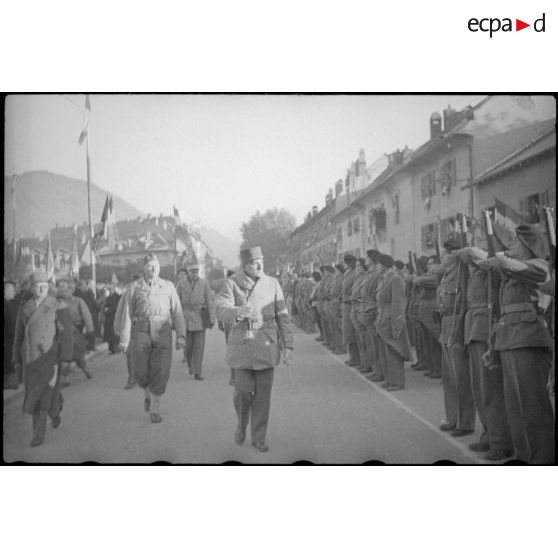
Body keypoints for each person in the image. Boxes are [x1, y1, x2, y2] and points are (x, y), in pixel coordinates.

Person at [482, 225, 555, 464]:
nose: (510, 245)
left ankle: (543, 459)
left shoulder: (539, 265)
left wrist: (499, 259)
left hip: (529, 341)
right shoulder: (510, 274)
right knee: (516, 409)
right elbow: (500, 313)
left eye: (515, 242)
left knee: (534, 408)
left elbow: (517, 267)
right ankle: (524, 458)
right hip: (510, 342)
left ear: (528, 246)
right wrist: (493, 347)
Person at [216, 246, 293, 452]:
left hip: (266, 343)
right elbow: (221, 310)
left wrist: (288, 345)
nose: (259, 265)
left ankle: (259, 437)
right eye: (253, 262)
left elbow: (282, 316)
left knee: (263, 397)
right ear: (244, 265)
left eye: (261, 261)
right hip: (241, 345)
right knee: (242, 392)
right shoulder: (232, 284)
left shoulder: (272, 284)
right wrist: (237, 311)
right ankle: (242, 423)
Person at [459, 246, 513, 460]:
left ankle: (501, 440)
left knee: (491, 389)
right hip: (473, 330)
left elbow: (482, 257)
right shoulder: (474, 274)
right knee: (480, 390)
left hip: (485, 331)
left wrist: (469, 249)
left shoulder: (492, 269)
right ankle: (489, 435)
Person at [118, 254, 186, 423]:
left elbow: (177, 313)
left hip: (162, 330)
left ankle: (156, 406)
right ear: (144, 269)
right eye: (149, 266)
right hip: (140, 331)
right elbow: (127, 314)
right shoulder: (134, 288)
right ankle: (147, 392)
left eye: (155, 265)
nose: (153, 269)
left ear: (159, 267)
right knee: (140, 370)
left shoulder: (169, 287)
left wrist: (181, 335)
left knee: (162, 370)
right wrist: (124, 339)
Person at [12, 270, 73, 446]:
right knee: (40, 394)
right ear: (31, 288)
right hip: (30, 360)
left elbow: (66, 334)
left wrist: (66, 358)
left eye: (44, 287)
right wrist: (16, 359)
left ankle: (38, 435)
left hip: (50, 359)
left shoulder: (57, 305)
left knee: (42, 396)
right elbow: (19, 337)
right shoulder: (24, 308)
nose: (41, 290)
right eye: (38, 287)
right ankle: (55, 410)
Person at [438, 238, 475, 437]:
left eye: (445, 253)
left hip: (456, 325)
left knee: (461, 376)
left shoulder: (462, 273)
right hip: (446, 324)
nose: (442, 256)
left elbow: (464, 303)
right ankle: (452, 417)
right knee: (450, 377)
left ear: (454, 255)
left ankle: (465, 421)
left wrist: (460, 330)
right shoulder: (447, 275)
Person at [375, 254, 412, 390]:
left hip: (391, 319)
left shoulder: (395, 279)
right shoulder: (385, 279)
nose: (377, 267)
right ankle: (390, 379)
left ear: (385, 265)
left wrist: (397, 325)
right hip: (383, 318)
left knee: (394, 352)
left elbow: (398, 303)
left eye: (379, 264)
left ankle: (397, 382)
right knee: (386, 352)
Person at [176, 262, 216, 380]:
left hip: (200, 318)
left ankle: (198, 372)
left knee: (199, 346)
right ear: (188, 272)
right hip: (185, 318)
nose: (195, 274)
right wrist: (175, 319)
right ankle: (190, 365)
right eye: (192, 272)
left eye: (197, 272)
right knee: (188, 347)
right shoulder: (180, 284)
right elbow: (176, 302)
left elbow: (210, 300)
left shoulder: (204, 283)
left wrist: (212, 317)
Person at [56, 277, 94, 385]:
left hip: (75, 331)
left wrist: (90, 331)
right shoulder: (55, 303)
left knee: (77, 353)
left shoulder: (78, 301)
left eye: (65, 290)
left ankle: (84, 368)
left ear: (70, 290)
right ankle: (65, 378)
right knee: (63, 355)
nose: (63, 292)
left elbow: (87, 316)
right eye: (61, 290)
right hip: (61, 332)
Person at [113, 274, 141, 389]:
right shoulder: (127, 294)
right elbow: (121, 312)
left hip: (144, 326)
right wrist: (118, 328)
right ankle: (133, 377)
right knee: (130, 353)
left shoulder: (147, 293)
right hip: (132, 327)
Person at [341, 254, 360, 367]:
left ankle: (356, 358)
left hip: (351, 305)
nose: (344, 265)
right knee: (348, 333)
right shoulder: (347, 274)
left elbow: (354, 290)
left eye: (345, 262)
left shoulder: (354, 275)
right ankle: (353, 357)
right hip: (346, 305)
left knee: (352, 333)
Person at [4, 281, 19, 389]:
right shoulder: (8, 305)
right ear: (6, 291)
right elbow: (12, 326)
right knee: (10, 361)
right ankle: (11, 384)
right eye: (13, 290)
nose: (15, 292)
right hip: (8, 340)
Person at [103, 286, 122, 354]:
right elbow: (104, 309)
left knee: (113, 335)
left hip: (113, 319)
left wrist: (107, 310)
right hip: (109, 320)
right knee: (110, 335)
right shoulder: (108, 299)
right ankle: (112, 349)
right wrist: (106, 310)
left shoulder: (113, 298)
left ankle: (114, 349)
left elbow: (113, 308)